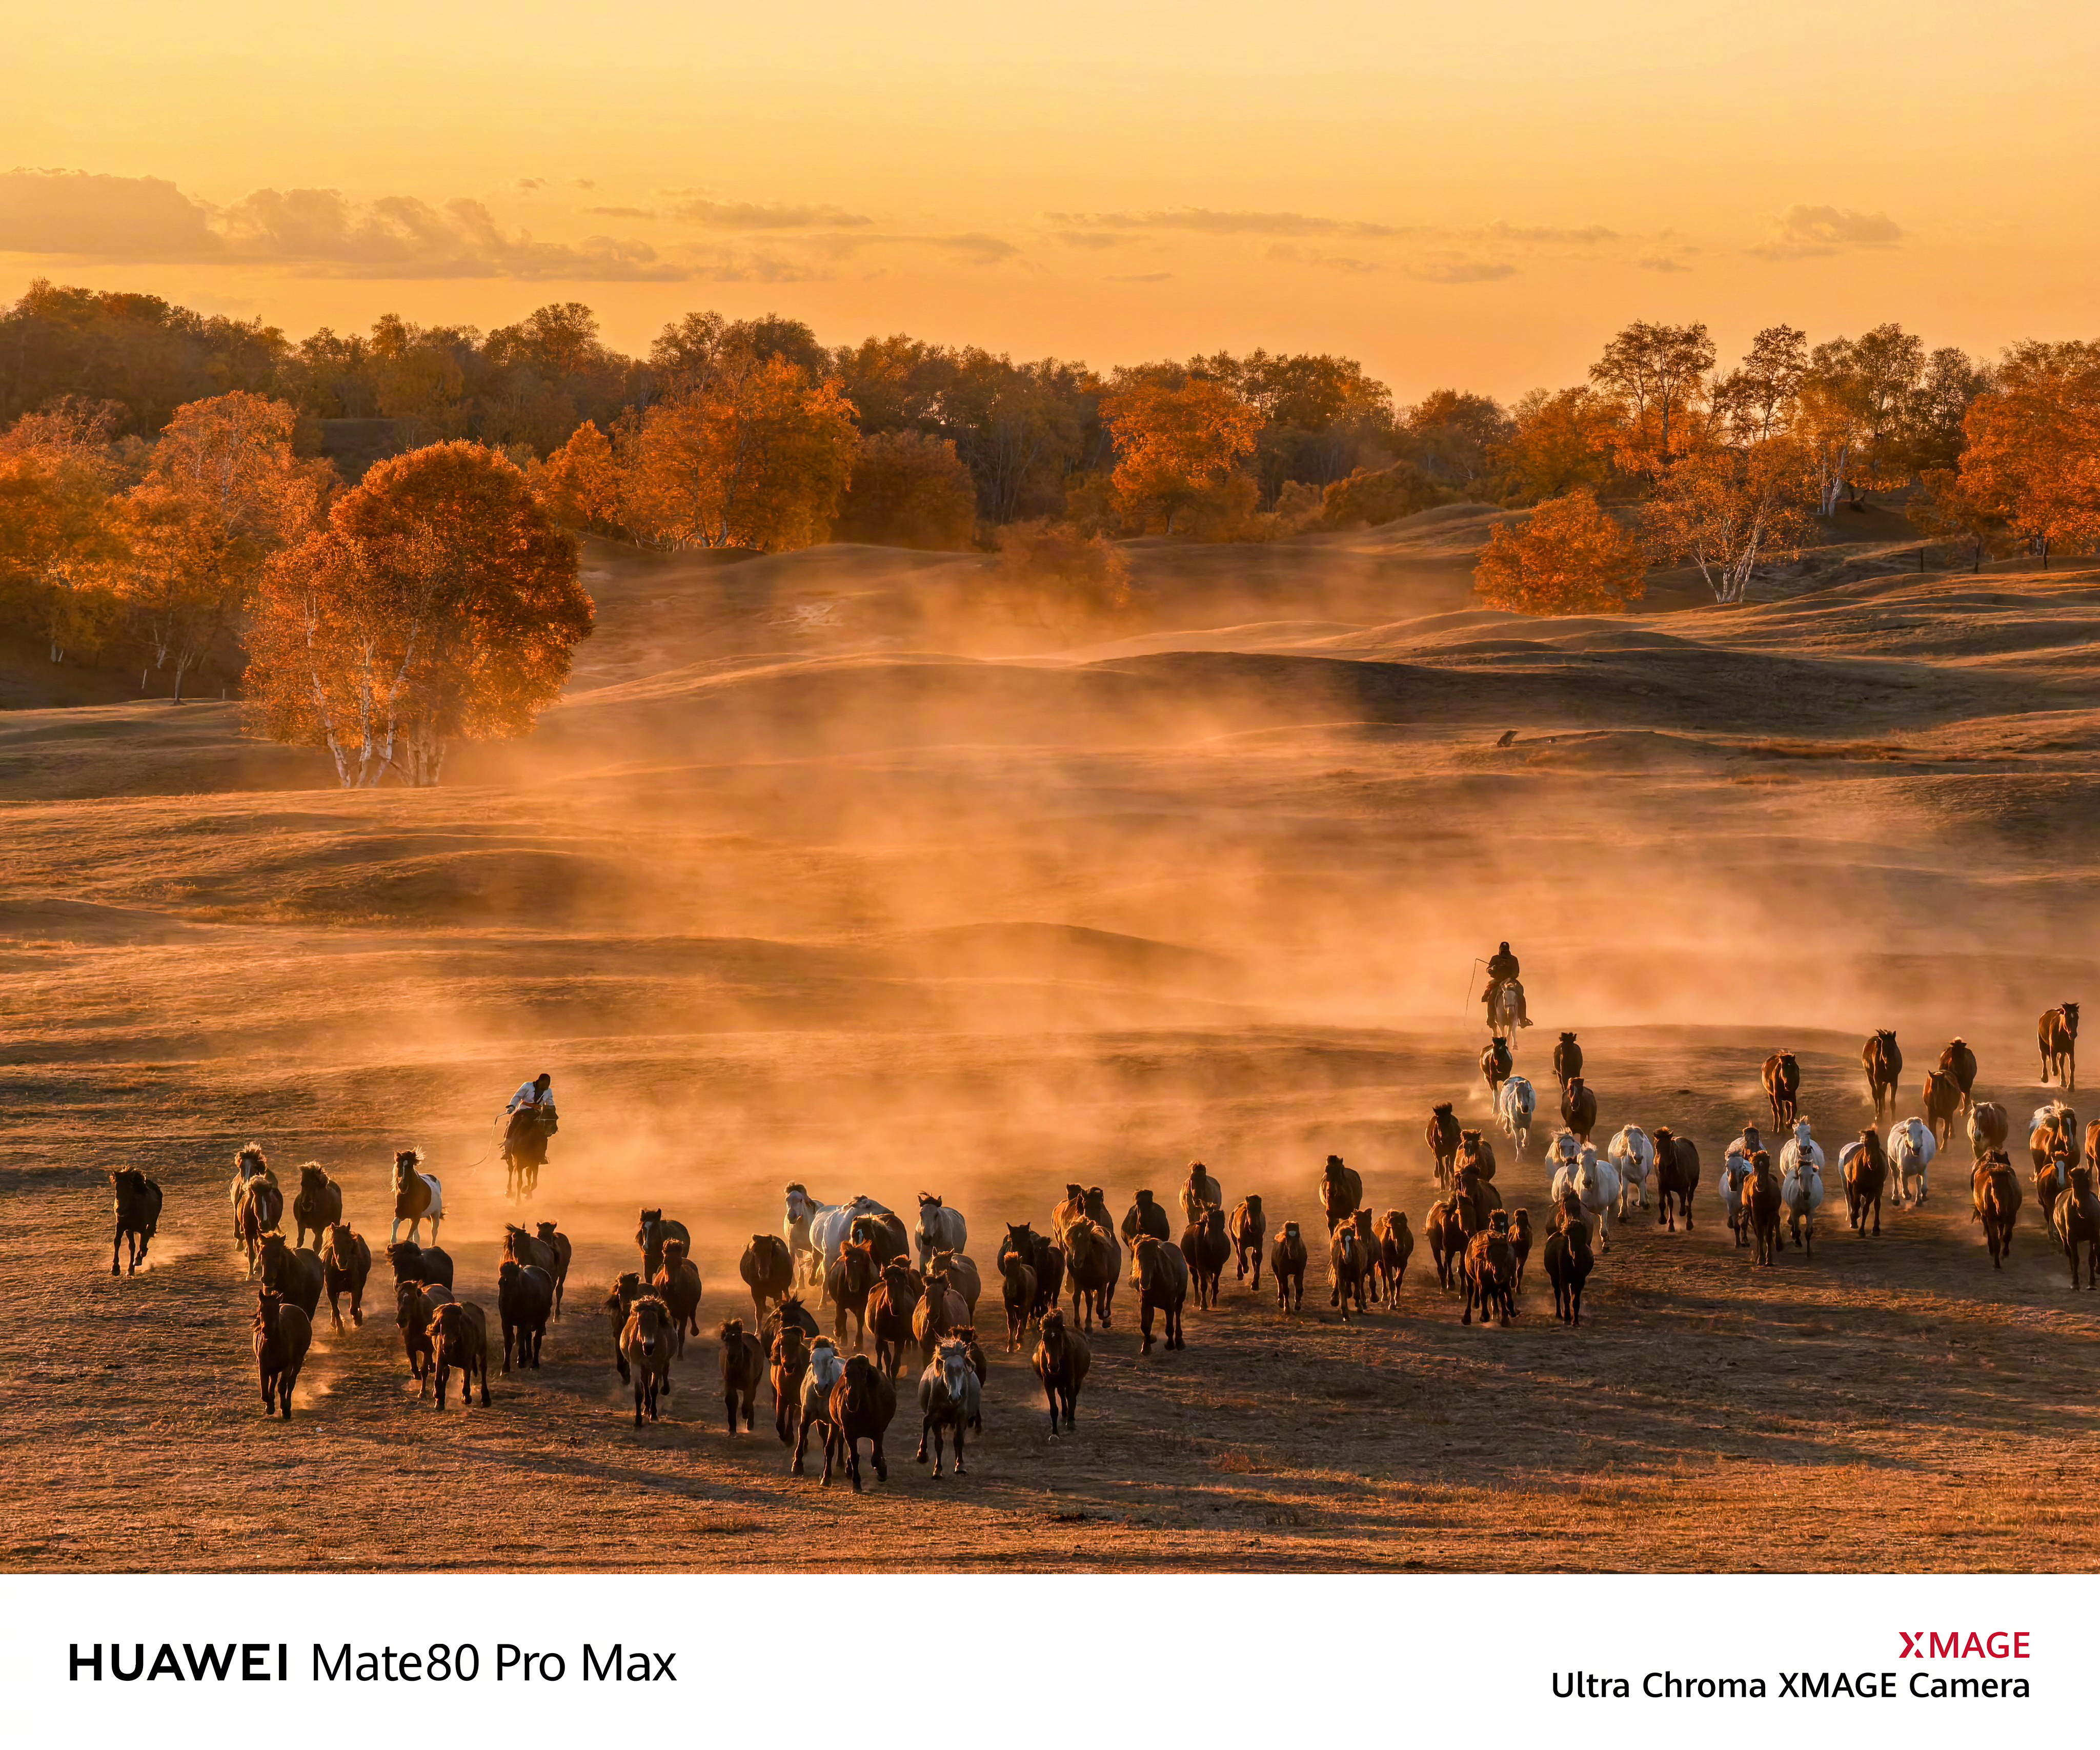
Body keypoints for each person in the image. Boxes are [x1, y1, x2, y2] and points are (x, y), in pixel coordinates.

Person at [1483, 941, 1531, 1027]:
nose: (1504, 952)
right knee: (1491, 996)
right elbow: (1488, 970)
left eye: (1506, 950)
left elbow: (1516, 972)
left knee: (1521, 995)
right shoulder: (1495, 959)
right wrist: (1493, 969)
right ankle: (1490, 1019)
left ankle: (1523, 1019)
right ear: (1500, 950)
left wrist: (1510, 978)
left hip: (1510, 981)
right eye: (1503, 950)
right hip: (1498, 981)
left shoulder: (1513, 959)